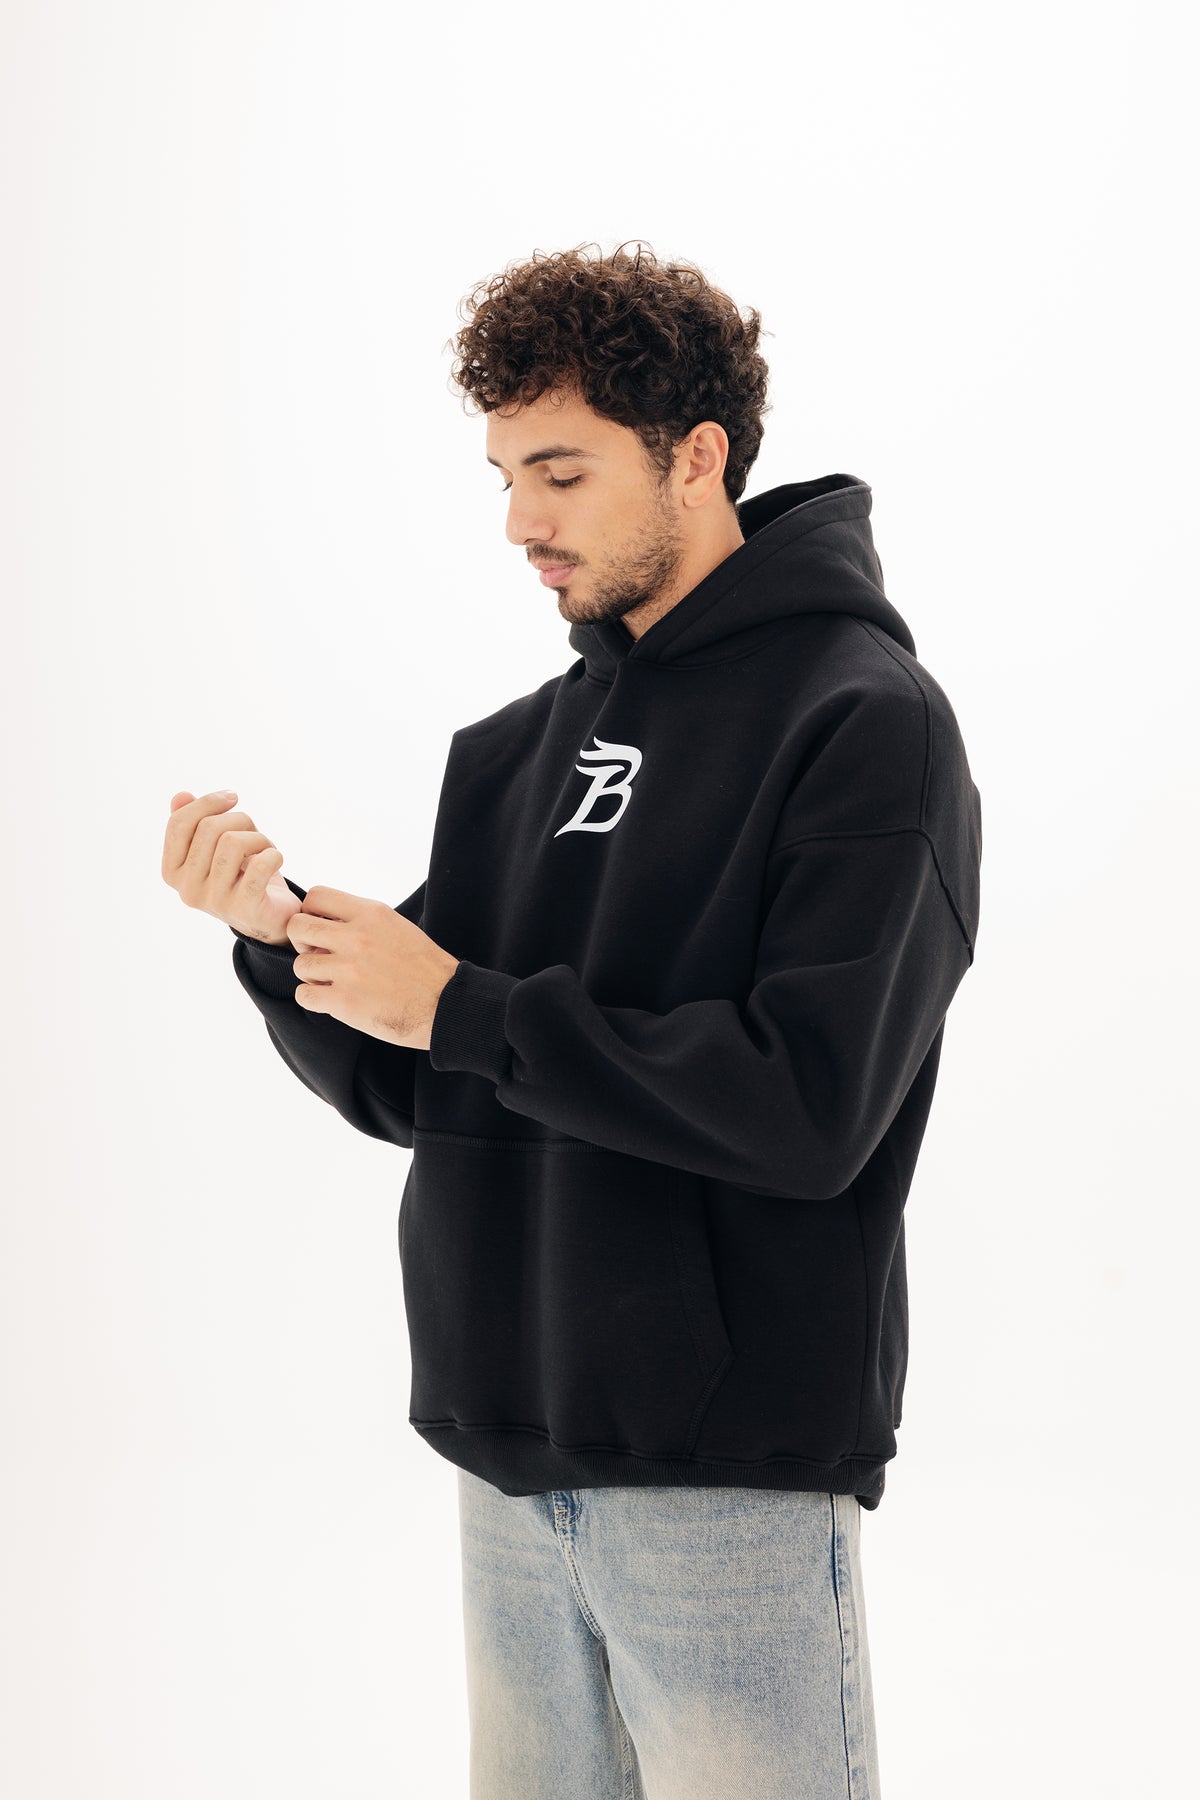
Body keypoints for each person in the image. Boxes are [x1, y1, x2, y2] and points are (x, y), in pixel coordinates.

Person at [162, 240, 983, 1798]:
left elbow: (809, 1108)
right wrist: (280, 942)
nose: (521, 521)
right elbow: (425, 1079)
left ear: (697, 457)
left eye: (560, 472)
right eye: (503, 477)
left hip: (728, 1478)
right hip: (506, 1456)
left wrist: (464, 1008)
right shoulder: (520, 751)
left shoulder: (863, 725)